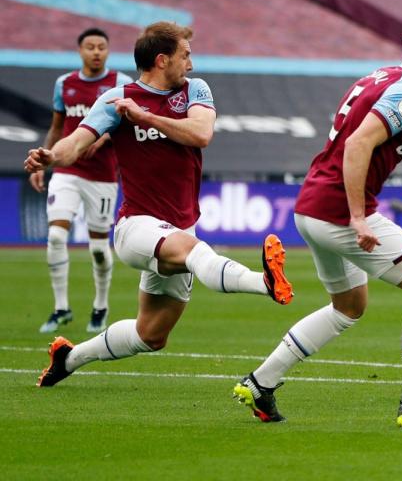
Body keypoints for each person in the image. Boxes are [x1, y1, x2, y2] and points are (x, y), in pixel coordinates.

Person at [233, 14, 402, 429]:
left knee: (348, 307)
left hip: (312, 206)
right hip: (339, 212)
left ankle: (261, 382)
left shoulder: (379, 76)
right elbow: (360, 142)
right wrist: (359, 216)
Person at [27, 21, 293, 389]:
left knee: (150, 336)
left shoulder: (195, 90)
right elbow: (75, 143)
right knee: (195, 251)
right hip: (136, 226)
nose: (192, 63)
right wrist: (49, 156)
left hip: (179, 226)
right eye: (186, 55)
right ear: (162, 59)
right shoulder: (115, 100)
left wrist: (146, 117)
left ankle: (68, 358)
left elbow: (201, 134)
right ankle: (264, 283)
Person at [31, 28, 133, 334]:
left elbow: (126, 125)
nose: (96, 52)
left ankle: (100, 306)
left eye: (102, 47)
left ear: (108, 51)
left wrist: (100, 141)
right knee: (57, 238)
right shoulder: (65, 84)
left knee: (99, 249)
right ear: (80, 51)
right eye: (90, 47)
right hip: (66, 172)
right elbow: (57, 126)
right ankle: (61, 307)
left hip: (102, 175)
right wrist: (43, 160)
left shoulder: (120, 84)